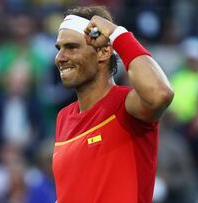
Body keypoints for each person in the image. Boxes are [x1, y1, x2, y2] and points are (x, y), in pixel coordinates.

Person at [52, 6, 174, 203]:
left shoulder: (126, 105)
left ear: (103, 52)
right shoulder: (63, 117)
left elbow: (160, 93)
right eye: (60, 48)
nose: (60, 58)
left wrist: (118, 34)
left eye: (72, 47)